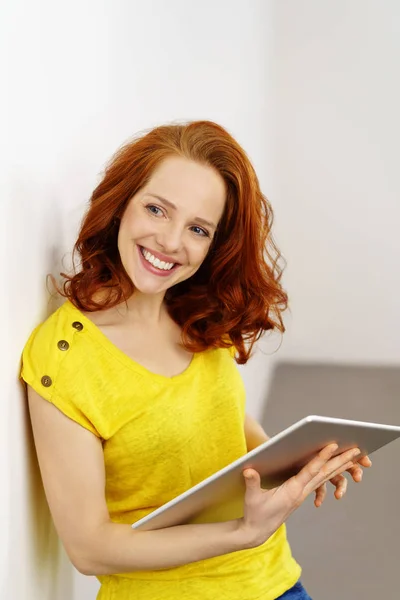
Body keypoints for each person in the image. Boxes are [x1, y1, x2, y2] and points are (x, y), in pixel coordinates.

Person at [20, 121, 371, 600]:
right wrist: (243, 532)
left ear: (213, 244)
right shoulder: (63, 356)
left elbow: (219, 417)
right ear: (121, 203)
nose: (169, 242)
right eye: (157, 209)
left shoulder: (195, 312)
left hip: (275, 582)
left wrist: (291, 459)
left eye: (197, 229)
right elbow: (89, 548)